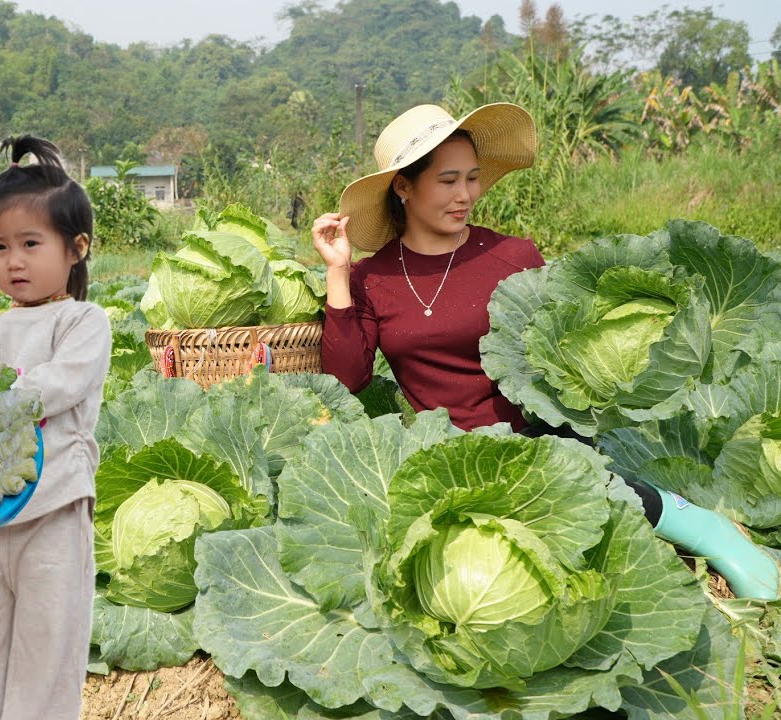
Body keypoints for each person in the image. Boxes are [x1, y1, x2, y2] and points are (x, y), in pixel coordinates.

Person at [313, 102, 779, 601]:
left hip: (542, 437)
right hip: (449, 454)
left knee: (579, 497)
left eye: (472, 178)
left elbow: (564, 352)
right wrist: (338, 270)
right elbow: (346, 378)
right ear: (403, 187)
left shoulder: (512, 256)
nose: (466, 195)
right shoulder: (372, 277)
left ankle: (706, 528)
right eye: (448, 181)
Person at [0, 136, 110, 720]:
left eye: (31, 244)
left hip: (52, 515)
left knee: (46, 660)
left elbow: (57, 385)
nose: (14, 261)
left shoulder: (83, 322)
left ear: (75, 248)